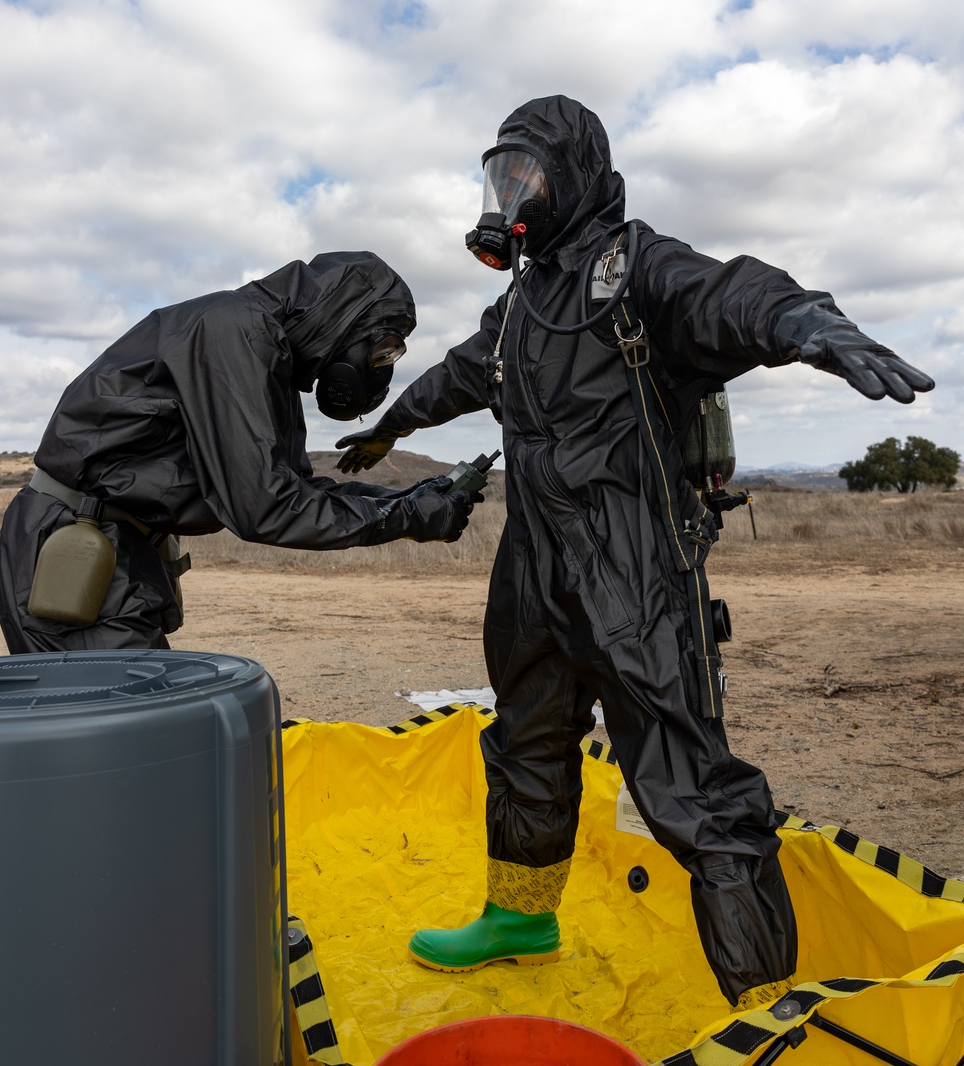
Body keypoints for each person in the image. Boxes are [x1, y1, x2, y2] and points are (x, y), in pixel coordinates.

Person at [334, 96, 935, 1009]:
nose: (511, 196)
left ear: (574, 176)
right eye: (500, 177)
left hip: (636, 568)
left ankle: (763, 1005)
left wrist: (810, 323)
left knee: (690, 781)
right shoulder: (522, 303)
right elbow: (461, 372)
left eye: (527, 176)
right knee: (527, 741)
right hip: (533, 566)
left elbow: (733, 291)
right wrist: (391, 425)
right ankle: (521, 918)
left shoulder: (638, 267)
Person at [0, 252, 476, 653]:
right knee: (119, 745)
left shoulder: (271, 357)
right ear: (345, 314)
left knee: (142, 739)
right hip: (76, 549)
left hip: (120, 547)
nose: (380, 368)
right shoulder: (235, 332)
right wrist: (410, 519)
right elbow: (264, 507)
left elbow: (295, 488)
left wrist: (408, 498)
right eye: (383, 349)